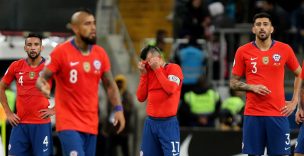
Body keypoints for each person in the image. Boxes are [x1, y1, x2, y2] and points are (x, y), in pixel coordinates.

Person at [36, 9, 125, 156]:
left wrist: (119, 109)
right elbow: (41, 79)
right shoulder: (61, 52)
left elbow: (110, 85)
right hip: (68, 123)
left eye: (94, 23)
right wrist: (43, 87)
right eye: (88, 24)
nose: (93, 27)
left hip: (91, 124)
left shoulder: (100, 54)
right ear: (75, 28)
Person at [230, 12, 301, 156]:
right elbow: (233, 82)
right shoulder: (242, 51)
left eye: (265, 24)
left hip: (277, 114)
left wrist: (295, 101)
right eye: (258, 25)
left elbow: (300, 73)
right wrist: (251, 87)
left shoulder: (284, 49)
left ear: (272, 29)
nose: (262, 28)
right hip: (253, 114)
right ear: (253, 29)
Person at [0, 33, 54, 156]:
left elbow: (67, 88)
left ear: (41, 48)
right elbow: (1, 87)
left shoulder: (49, 67)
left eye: (36, 44)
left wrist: (55, 109)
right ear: (25, 48)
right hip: (20, 123)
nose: (33, 47)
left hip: (41, 125)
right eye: (29, 45)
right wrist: (8, 112)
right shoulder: (16, 65)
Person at [136, 45, 183, 156]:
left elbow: (171, 89)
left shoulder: (173, 68)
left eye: (149, 61)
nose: (147, 65)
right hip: (151, 124)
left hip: (168, 124)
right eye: (145, 63)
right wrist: (143, 75)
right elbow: (140, 97)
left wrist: (157, 70)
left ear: (159, 58)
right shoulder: (149, 73)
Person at [104, 74, 134, 156]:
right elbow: (108, 112)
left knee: (125, 150)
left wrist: (120, 108)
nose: (119, 84)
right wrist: (106, 128)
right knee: (109, 150)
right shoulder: (112, 95)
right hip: (112, 129)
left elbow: (130, 109)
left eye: (121, 82)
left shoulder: (127, 95)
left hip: (124, 129)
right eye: (117, 82)